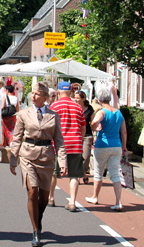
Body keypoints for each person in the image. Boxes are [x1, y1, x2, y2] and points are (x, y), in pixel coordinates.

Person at [10, 82, 67, 247]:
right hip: (28, 155)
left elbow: (59, 141)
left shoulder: (53, 116)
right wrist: (13, 160)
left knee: (43, 197)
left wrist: (62, 162)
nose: (33, 96)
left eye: (37, 94)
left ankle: (38, 216)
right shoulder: (23, 114)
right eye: (32, 93)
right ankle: (35, 232)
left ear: (45, 97)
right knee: (32, 192)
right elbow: (16, 138)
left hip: (47, 158)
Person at [85, 89, 128, 211]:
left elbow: (94, 122)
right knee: (114, 173)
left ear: (99, 100)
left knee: (98, 171)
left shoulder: (102, 112)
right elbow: (124, 131)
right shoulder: (119, 113)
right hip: (117, 145)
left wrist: (95, 128)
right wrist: (124, 146)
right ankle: (118, 202)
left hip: (103, 145)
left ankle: (95, 196)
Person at [48, 81, 86, 211]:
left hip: (58, 145)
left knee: (53, 173)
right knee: (74, 174)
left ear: (58, 92)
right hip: (75, 144)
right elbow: (83, 127)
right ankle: (72, 201)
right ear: (70, 92)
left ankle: (51, 198)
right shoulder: (78, 107)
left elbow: (50, 126)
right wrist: (79, 139)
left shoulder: (54, 106)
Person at [74, 90, 95, 184]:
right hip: (76, 135)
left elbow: (93, 123)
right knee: (77, 157)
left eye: (78, 98)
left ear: (83, 99)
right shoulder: (74, 108)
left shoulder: (89, 109)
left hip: (87, 135)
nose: (76, 99)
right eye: (75, 97)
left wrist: (95, 135)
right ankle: (81, 174)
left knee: (85, 157)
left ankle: (83, 172)